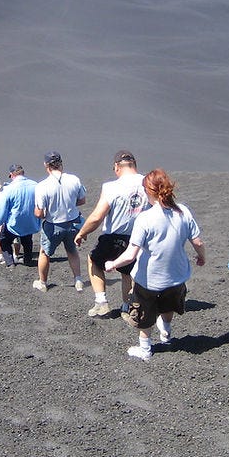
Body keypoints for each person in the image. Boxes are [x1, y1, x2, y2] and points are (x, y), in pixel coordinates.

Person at [105, 168, 205, 360]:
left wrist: (112, 263)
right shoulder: (183, 211)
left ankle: (145, 349)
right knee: (168, 306)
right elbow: (198, 242)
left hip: (148, 278)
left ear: (148, 191)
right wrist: (202, 257)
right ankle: (166, 333)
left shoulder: (145, 218)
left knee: (144, 314)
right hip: (176, 275)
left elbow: (131, 254)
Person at [74, 150, 148, 317]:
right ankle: (127, 305)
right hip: (138, 237)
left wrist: (82, 233)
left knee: (93, 260)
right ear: (134, 164)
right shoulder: (147, 183)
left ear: (116, 167)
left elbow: (96, 217)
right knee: (128, 271)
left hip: (113, 237)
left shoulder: (111, 187)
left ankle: (101, 302)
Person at [33, 151, 86, 293]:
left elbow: (39, 213)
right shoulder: (74, 179)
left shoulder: (42, 186)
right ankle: (78, 280)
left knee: (44, 253)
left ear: (46, 165)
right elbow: (82, 200)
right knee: (72, 251)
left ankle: (43, 282)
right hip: (73, 222)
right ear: (61, 163)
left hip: (54, 225)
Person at [0, 165, 41, 267]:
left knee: (4, 240)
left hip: (14, 223)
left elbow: (1, 209)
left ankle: (10, 263)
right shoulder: (35, 185)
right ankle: (27, 260)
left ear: (12, 175)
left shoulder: (9, 189)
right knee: (27, 240)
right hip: (30, 221)